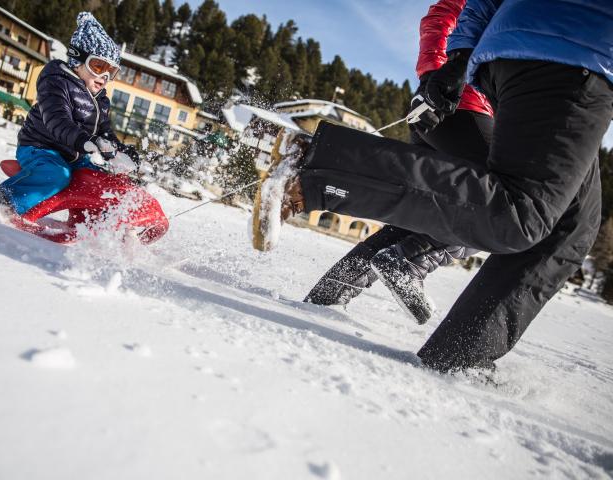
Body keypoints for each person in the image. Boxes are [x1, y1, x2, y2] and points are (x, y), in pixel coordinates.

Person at [260, 0, 613, 372]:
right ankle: (322, 174)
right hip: (502, 90)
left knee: (569, 224)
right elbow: (446, 13)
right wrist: (442, 67)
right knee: (506, 212)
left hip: (502, 75)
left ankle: (333, 295)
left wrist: (456, 60)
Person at [304, 0, 492, 325]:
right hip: (457, 106)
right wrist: (434, 76)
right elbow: (443, 16)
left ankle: (328, 296)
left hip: (455, 108)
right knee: (499, 201)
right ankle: (412, 261)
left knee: (414, 222)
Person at [0, 12, 140, 220]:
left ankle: (89, 223)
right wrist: (85, 141)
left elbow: (105, 132)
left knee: (100, 179)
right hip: (39, 148)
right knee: (57, 175)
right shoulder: (56, 81)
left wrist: (121, 150)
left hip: (74, 155)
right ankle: (3, 203)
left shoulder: (101, 99)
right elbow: (57, 121)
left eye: (111, 71)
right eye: (98, 66)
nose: (104, 77)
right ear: (77, 60)